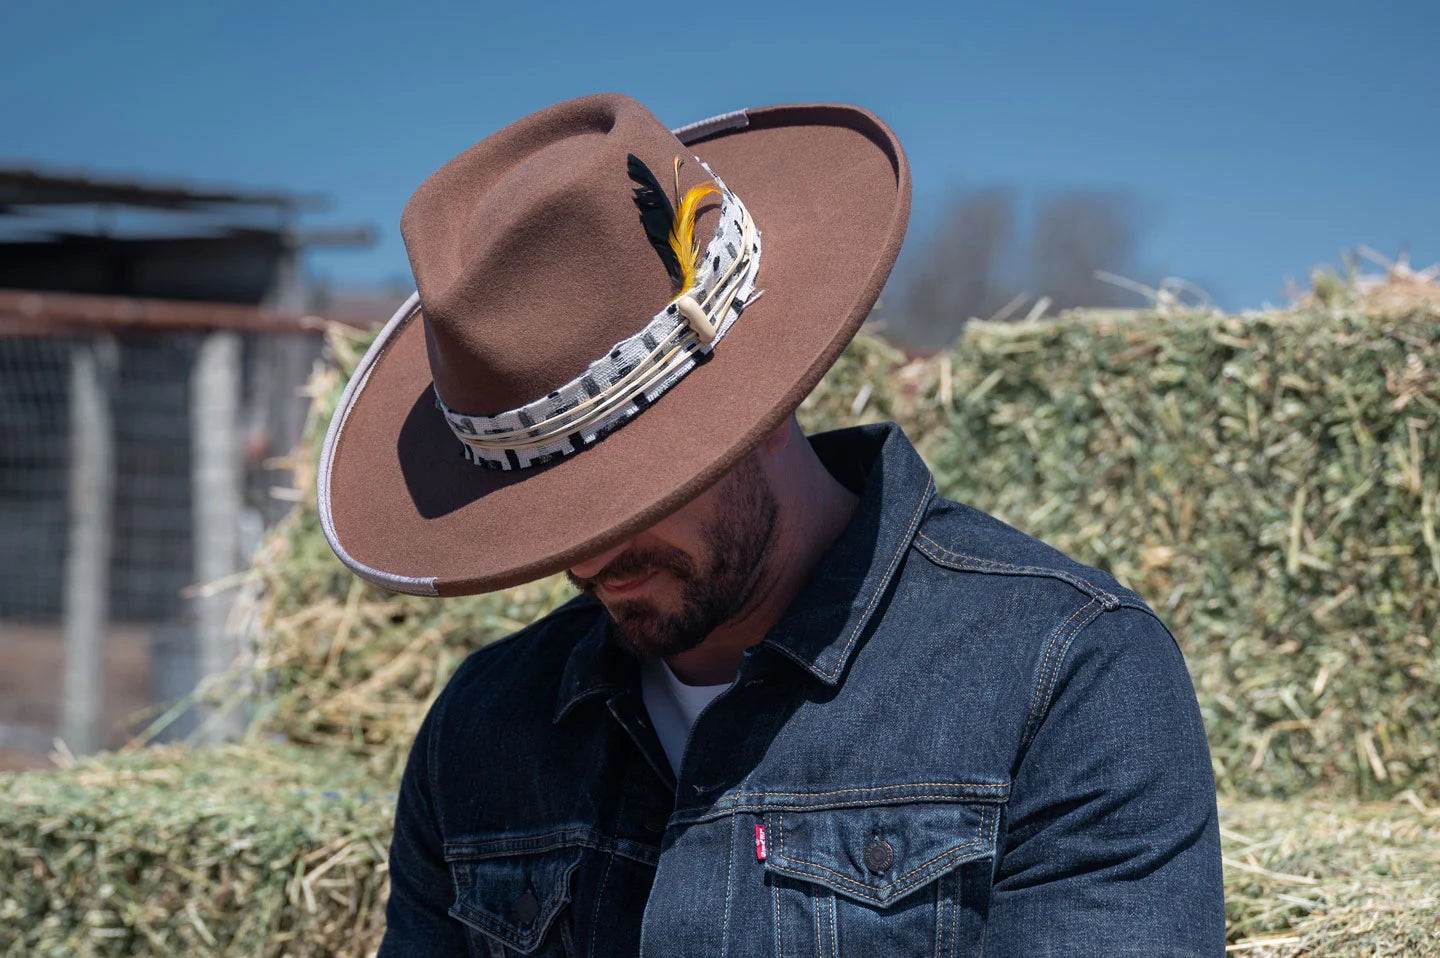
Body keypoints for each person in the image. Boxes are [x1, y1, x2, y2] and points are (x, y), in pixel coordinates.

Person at [318, 93, 1225, 957]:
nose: (590, 556)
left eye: (631, 491)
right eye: (549, 515)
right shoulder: (483, 730)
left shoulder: (1061, 676)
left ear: (753, 409)